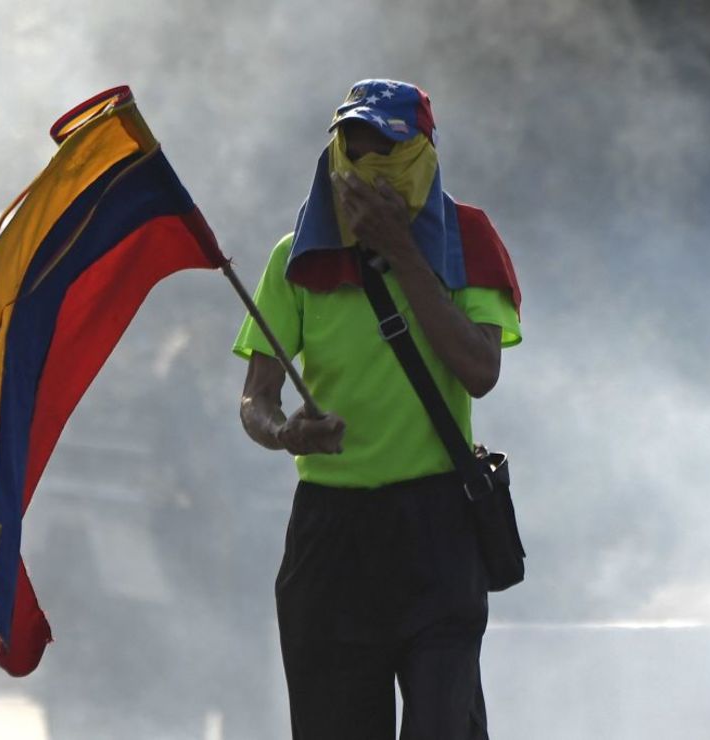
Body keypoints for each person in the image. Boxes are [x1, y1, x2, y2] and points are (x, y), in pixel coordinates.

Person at [233, 79, 522, 739]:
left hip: (437, 525)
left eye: (387, 154)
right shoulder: (295, 258)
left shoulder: (470, 240)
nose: (368, 174)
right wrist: (285, 433)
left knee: (443, 724)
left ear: (423, 154)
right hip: (331, 536)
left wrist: (400, 251)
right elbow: (256, 398)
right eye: (353, 153)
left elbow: (480, 372)